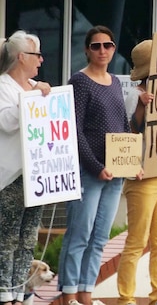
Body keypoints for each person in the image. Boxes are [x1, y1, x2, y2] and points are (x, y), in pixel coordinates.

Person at [58, 26, 130, 305]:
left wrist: (131, 162)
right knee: (80, 233)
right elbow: (74, 130)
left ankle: (87, 293)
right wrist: (96, 165)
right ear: (87, 50)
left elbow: (123, 126)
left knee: (100, 236)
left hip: (115, 174)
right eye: (96, 46)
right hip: (89, 172)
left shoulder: (113, 81)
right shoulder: (79, 82)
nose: (103, 51)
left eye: (108, 45)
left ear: (113, 49)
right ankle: (68, 295)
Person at [116, 40, 157, 305]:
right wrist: (141, 106)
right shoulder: (134, 94)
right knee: (137, 240)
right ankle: (126, 297)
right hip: (142, 176)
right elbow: (128, 133)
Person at [0, 31, 51, 305]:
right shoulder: (3, 86)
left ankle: (20, 293)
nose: (41, 61)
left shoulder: (34, 85)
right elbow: (6, 122)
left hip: (37, 174)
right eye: (36, 55)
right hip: (10, 177)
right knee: (7, 237)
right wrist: (31, 97)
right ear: (21, 57)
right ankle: (4, 293)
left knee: (27, 238)